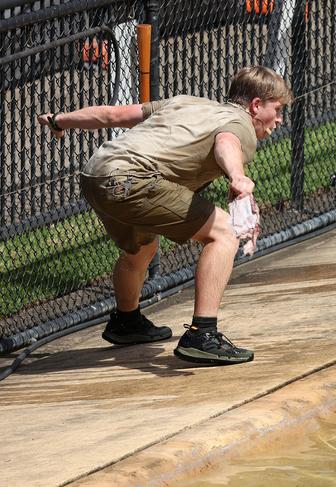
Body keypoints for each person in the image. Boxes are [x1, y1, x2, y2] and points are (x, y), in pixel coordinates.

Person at [37, 66, 293, 365]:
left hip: (96, 174)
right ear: (256, 105)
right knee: (224, 232)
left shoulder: (186, 102)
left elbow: (113, 116)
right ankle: (202, 334)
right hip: (132, 179)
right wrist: (237, 175)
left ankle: (126, 322)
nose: (279, 119)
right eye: (277, 109)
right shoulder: (242, 125)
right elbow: (227, 142)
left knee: (141, 248)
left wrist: (60, 120)